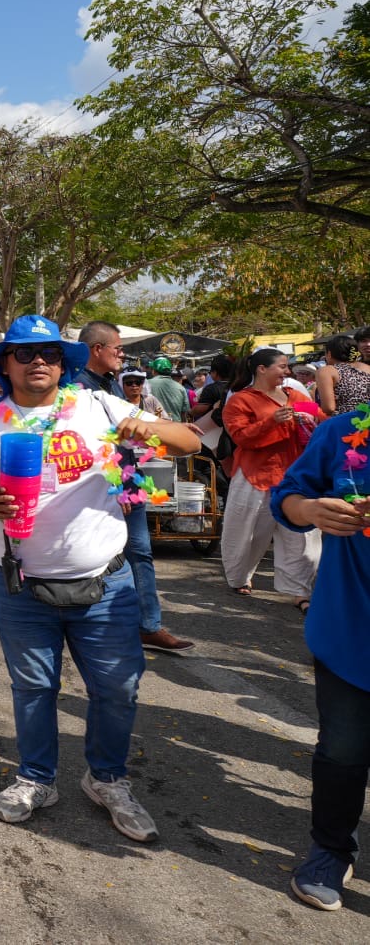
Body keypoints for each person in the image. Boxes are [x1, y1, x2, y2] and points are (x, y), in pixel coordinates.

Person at [0, 314, 201, 841]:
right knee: (34, 687)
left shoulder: (100, 405)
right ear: (5, 364)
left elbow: (189, 443)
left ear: (65, 364)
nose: (40, 361)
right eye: (26, 353)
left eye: (51, 354)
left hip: (104, 583)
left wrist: (147, 428)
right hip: (19, 583)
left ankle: (107, 779)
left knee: (117, 688)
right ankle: (36, 778)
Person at [271, 406, 370, 911]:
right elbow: (286, 495)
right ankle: (331, 850)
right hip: (351, 622)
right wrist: (310, 511)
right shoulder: (342, 432)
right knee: (345, 749)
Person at [76, 325, 195, 653]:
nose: (122, 353)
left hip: (130, 477)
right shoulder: (78, 388)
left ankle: (147, 625)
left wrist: (171, 428)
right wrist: (114, 484)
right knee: (103, 556)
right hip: (107, 484)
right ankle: (97, 626)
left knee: (139, 553)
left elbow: (128, 429)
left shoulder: (110, 383)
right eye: (117, 348)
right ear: (97, 349)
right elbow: (87, 445)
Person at [221, 348, 321, 610]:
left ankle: (300, 591)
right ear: (261, 369)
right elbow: (240, 437)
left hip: (294, 476)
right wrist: (271, 421)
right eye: (282, 366)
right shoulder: (241, 400)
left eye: (287, 367)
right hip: (255, 474)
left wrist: (314, 419)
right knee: (248, 532)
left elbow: (322, 421)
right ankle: (239, 576)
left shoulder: (296, 396)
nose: (287, 372)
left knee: (300, 535)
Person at [315, 335, 370, 416]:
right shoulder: (368, 368)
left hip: (344, 423)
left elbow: (329, 408)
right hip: (367, 421)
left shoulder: (326, 371)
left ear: (329, 354)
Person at [147, 356, 189, 422]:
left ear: (154, 371)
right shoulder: (181, 388)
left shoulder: (145, 384)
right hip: (174, 428)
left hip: (152, 427)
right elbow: (183, 414)